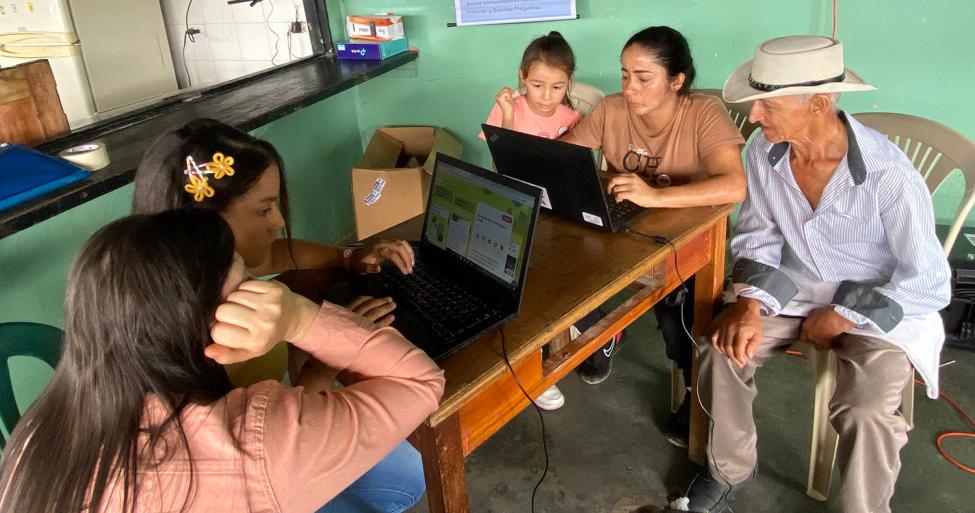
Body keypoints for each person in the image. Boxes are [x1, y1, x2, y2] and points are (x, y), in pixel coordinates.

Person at [0, 209, 445, 513]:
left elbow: (284, 255)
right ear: (207, 319)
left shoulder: (38, 431)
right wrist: (298, 317)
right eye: (244, 283)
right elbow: (421, 383)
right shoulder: (252, 443)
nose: (278, 221)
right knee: (409, 470)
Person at [671, 35, 951, 513]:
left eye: (766, 106)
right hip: (794, 286)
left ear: (819, 103)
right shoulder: (765, 151)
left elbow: (929, 281)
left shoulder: (889, 176)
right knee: (721, 350)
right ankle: (729, 469)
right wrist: (750, 304)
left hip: (879, 301)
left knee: (865, 411)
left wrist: (842, 316)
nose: (754, 117)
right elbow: (758, 236)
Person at [132, 120, 431, 512]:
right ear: (207, 223)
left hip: (261, 440)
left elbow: (276, 255)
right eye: (264, 209)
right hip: (238, 484)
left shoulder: (188, 271)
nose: (278, 222)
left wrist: (349, 257)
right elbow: (257, 443)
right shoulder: (189, 335)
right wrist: (326, 357)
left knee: (408, 473)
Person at [561, 26, 746, 445]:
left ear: (676, 80)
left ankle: (695, 398)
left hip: (686, 238)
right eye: (625, 74)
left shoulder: (703, 113)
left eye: (644, 77)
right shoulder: (610, 110)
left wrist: (655, 196)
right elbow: (564, 156)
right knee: (558, 267)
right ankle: (603, 332)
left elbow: (734, 186)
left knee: (680, 318)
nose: (630, 87)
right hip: (622, 229)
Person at [480, 31, 583, 410]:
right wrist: (508, 114)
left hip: (554, 213)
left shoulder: (572, 117)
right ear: (522, 76)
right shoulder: (509, 110)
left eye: (557, 86)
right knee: (523, 286)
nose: (545, 95)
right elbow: (499, 166)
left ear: (568, 83)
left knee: (560, 275)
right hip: (512, 209)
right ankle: (532, 371)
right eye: (537, 85)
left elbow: (575, 171)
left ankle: (561, 329)